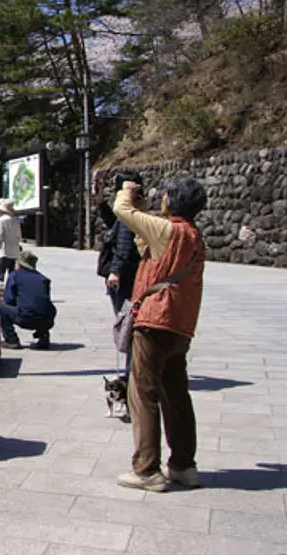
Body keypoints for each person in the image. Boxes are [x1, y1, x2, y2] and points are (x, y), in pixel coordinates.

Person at [113, 176, 207, 493]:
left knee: (142, 394)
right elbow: (149, 249)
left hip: (155, 321)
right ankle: (184, 465)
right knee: (176, 395)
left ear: (171, 200)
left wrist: (127, 190)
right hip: (180, 325)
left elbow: (120, 210)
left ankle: (146, 469)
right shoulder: (193, 236)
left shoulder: (169, 230)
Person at [98, 171, 143, 383]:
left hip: (125, 278)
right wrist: (101, 205)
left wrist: (114, 271)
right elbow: (115, 225)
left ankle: (131, 372)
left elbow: (124, 243)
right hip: (133, 275)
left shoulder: (129, 216)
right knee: (130, 323)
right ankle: (132, 369)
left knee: (127, 323)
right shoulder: (136, 211)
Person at [0, 251, 57, 349]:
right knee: (46, 308)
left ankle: (11, 340)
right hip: (46, 321)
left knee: (1, 307)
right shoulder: (43, 279)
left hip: (25, 318)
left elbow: (8, 299)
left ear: (19, 264)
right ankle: (44, 337)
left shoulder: (15, 275)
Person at [0, 199, 22, 281]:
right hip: (14, 251)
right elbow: (19, 236)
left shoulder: (1, 220)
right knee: (12, 274)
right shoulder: (16, 220)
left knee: (0, 274)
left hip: (3, 250)